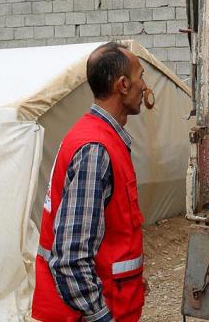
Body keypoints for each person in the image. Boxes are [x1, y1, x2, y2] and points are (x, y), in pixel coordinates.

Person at [32, 42, 148, 322]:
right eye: (140, 76)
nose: (144, 86)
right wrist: (101, 315)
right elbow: (71, 259)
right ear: (122, 85)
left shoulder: (99, 138)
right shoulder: (96, 149)